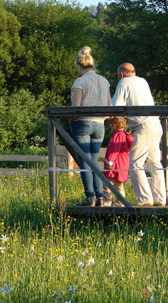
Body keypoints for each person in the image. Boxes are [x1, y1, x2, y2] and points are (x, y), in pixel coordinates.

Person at [112, 63, 167, 206]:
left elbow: (116, 106)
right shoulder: (143, 81)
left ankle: (144, 199)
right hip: (156, 123)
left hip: (143, 127)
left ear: (122, 74)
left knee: (135, 163)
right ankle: (160, 199)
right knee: (154, 164)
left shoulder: (124, 82)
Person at [70, 46, 112, 207]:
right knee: (94, 160)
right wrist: (103, 118)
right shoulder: (104, 81)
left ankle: (89, 197)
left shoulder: (80, 81)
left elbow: (76, 107)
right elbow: (110, 105)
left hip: (83, 122)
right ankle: (100, 196)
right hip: (100, 124)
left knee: (84, 161)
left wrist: (71, 120)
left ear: (79, 66)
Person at [103, 116, 134, 206]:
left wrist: (110, 161)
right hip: (122, 164)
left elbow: (114, 149)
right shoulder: (125, 135)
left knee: (107, 184)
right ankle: (120, 202)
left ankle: (107, 201)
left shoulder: (118, 135)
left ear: (114, 125)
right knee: (119, 185)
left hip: (115, 164)